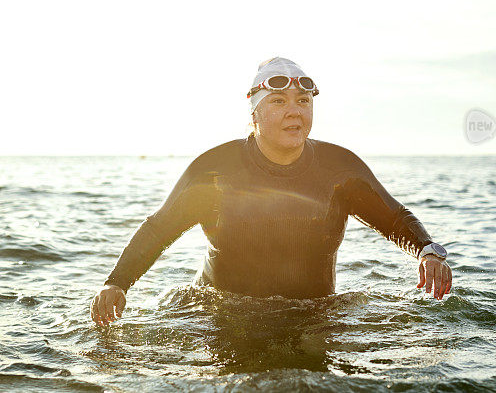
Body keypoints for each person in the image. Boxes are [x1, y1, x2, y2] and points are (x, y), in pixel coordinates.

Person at [90, 57, 453, 326]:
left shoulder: (340, 170)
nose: (294, 111)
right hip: (223, 313)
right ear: (255, 113)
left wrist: (428, 251)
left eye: (303, 102)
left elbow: (394, 217)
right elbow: (159, 228)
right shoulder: (215, 171)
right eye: (279, 102)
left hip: (313, 314)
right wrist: (116, 284)